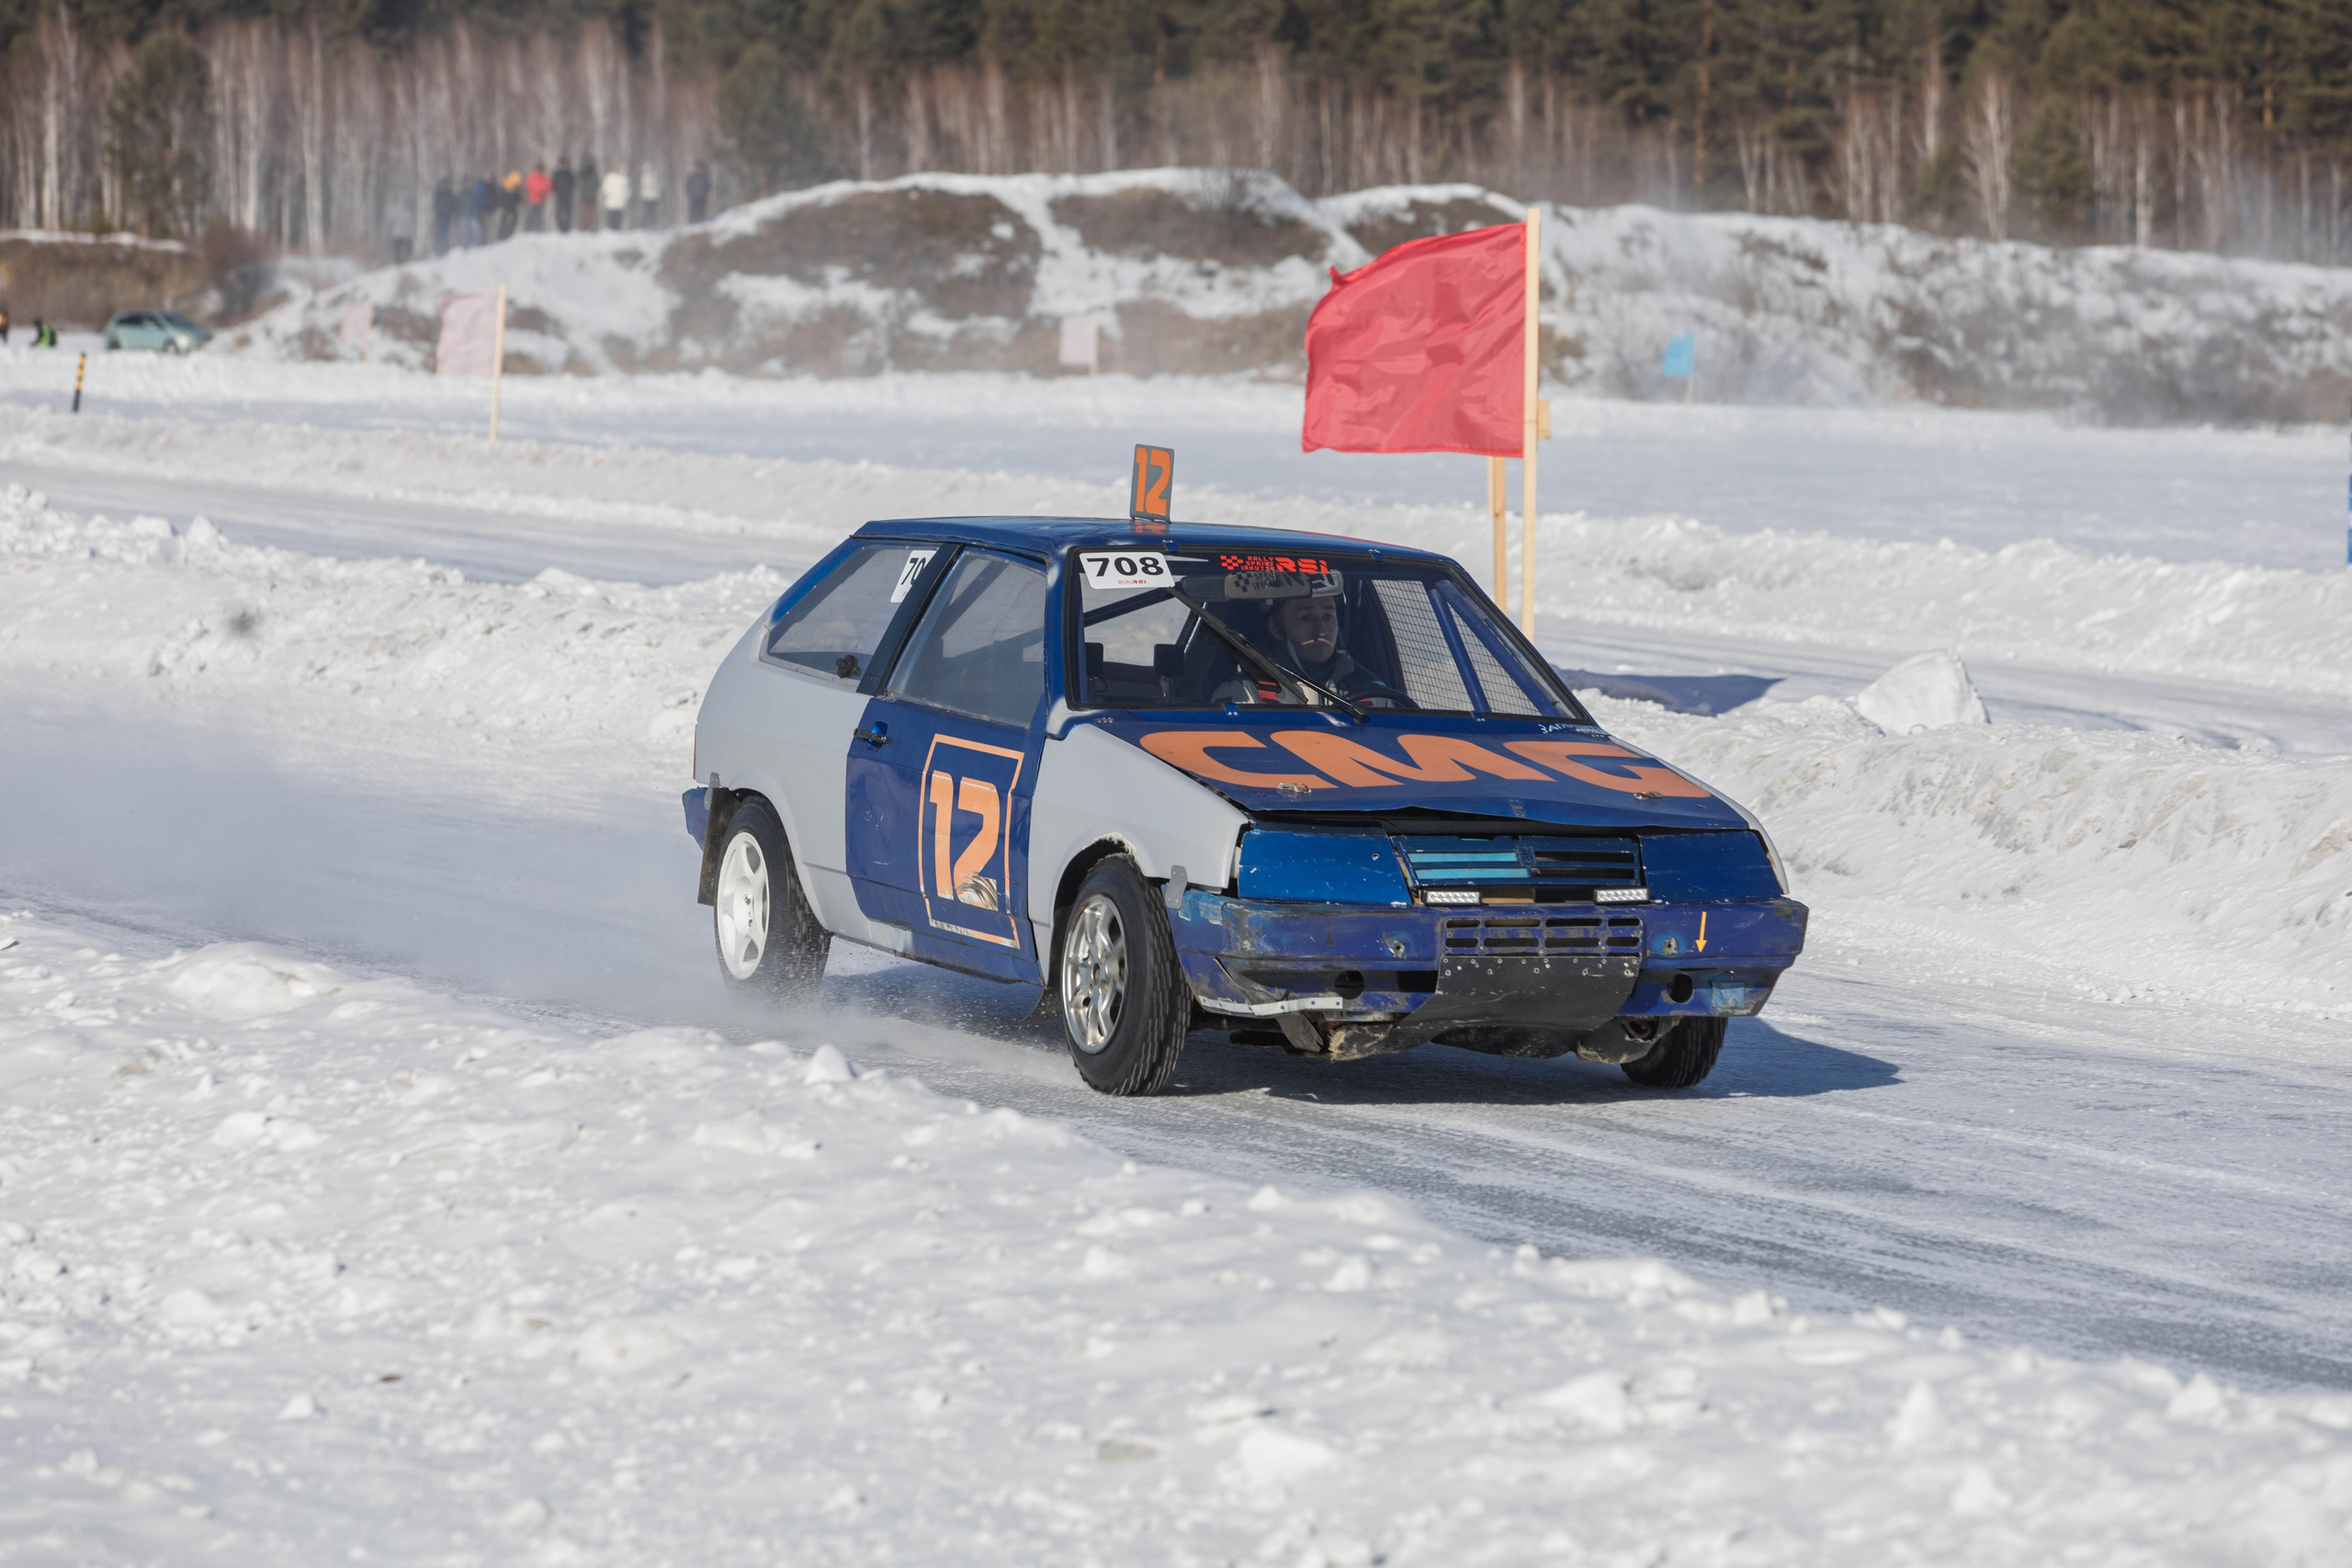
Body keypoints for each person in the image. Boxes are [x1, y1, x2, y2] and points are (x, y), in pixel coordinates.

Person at [1210, 582, 1384, 706]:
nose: (1321, 630)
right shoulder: (1244, 694)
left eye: (1328, 617)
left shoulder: (1373, 696)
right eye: (1306, 618)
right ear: (1276, 628)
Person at [601, 162, 631, 232]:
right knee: (611, 218)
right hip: (611, 202)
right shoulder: (609, 177)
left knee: (618, 219)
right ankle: (610, 231)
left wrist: (625, 197)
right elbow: (605, 187)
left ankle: (617, 231)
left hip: (620, 202)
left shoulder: (624, 178)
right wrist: (608, 194)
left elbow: (628, 189)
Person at [525, 161, 551, 231]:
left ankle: (537, 230)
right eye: (538, 169)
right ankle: (529, 230)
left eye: (540, 169)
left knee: (539, 216)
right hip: (532, 200)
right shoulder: (531, 178)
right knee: (531, 216)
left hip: (541, 201)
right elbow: (528, 188)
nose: (539, 171)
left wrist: (543, 193)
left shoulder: (545, 179)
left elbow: (548, 188)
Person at [551, 157, 575, 233]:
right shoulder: (557, 174)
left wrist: (569, 191)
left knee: (568, 212)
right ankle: (560, 228)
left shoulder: (570, 174)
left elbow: (574, 184)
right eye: (562, 164)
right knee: (559, 212)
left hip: (568, 196)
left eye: (565, 164)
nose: (563, 166)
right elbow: (553, 185)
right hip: (559, 196)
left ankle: (567, 228)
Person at [432, 175, 454, 255]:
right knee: (439, 233)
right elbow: (436, 205)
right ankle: (437, 249)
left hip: (447, 217)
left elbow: (452, 204)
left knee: (445, 234)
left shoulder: (449, 194)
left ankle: (444, 250)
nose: (445, 186)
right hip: (440, 217)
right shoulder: (438, 194)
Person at [497, 171, 522, 241]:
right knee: (504, 222)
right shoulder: (505, 186)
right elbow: (500, 197)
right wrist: (500, 207)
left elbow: (518, 196)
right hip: (506, 207)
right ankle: (501, 237)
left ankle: (508, 236)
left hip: (512, 207)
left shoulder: (515, 188)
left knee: (512, 221)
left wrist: (520, 202)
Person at [639, 158, 662, 228]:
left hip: (654, 196)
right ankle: (645, 224)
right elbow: (644, 186)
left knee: (653, 211)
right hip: (647, 196)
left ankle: (653, 224)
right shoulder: (645, 176)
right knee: (646, 211)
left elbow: (659, 186)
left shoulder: (657, 176)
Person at [685, 159, 710, 224]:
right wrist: (690, 193)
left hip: (702, 197)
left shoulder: (705, 176)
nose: (699, 169)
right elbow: (688, 185)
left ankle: (701, 221)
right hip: (694, 196)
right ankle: (692, 222)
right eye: (698, 167)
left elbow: (708, 186)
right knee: (693, 210)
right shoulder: (692, 176)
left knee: (702, 210)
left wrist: (705, 193)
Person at [578, 155, 598, 231]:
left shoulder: (585, 173)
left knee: (588, 214)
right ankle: (585, 228)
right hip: (588, 197)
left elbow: (597, 185)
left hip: (588, 196)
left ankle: (588, 228)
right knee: (587, 214)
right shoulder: (590, 173)